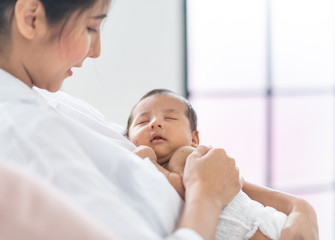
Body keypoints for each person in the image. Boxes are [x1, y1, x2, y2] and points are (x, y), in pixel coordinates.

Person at [0, 0, 318, 239]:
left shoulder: (50, 100)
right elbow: (205, 184)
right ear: (31, 18)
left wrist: (297, 208)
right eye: (91, 27)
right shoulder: (23, 139)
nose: (96, 50)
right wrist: (204, 196)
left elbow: (225, 180)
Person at [125, 89, 294, 240]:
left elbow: (183, 190)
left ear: (194, 139)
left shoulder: (186, 155)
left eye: (169, 117)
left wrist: (148, 162)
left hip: (265, 228)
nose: (155, 123)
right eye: (143, 122)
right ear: (127, 138)